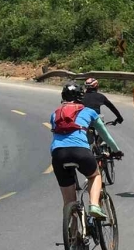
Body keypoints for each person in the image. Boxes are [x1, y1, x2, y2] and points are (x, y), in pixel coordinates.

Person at [48, 82, 115, 219]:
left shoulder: (55, 114)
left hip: (58, 154)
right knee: (94, 175)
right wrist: (116, 150)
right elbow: (105, 135)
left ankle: (73, 236)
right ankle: (94, 205)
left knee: (68, 202)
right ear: (81, 97)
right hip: (81, 152)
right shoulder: (89, 111)